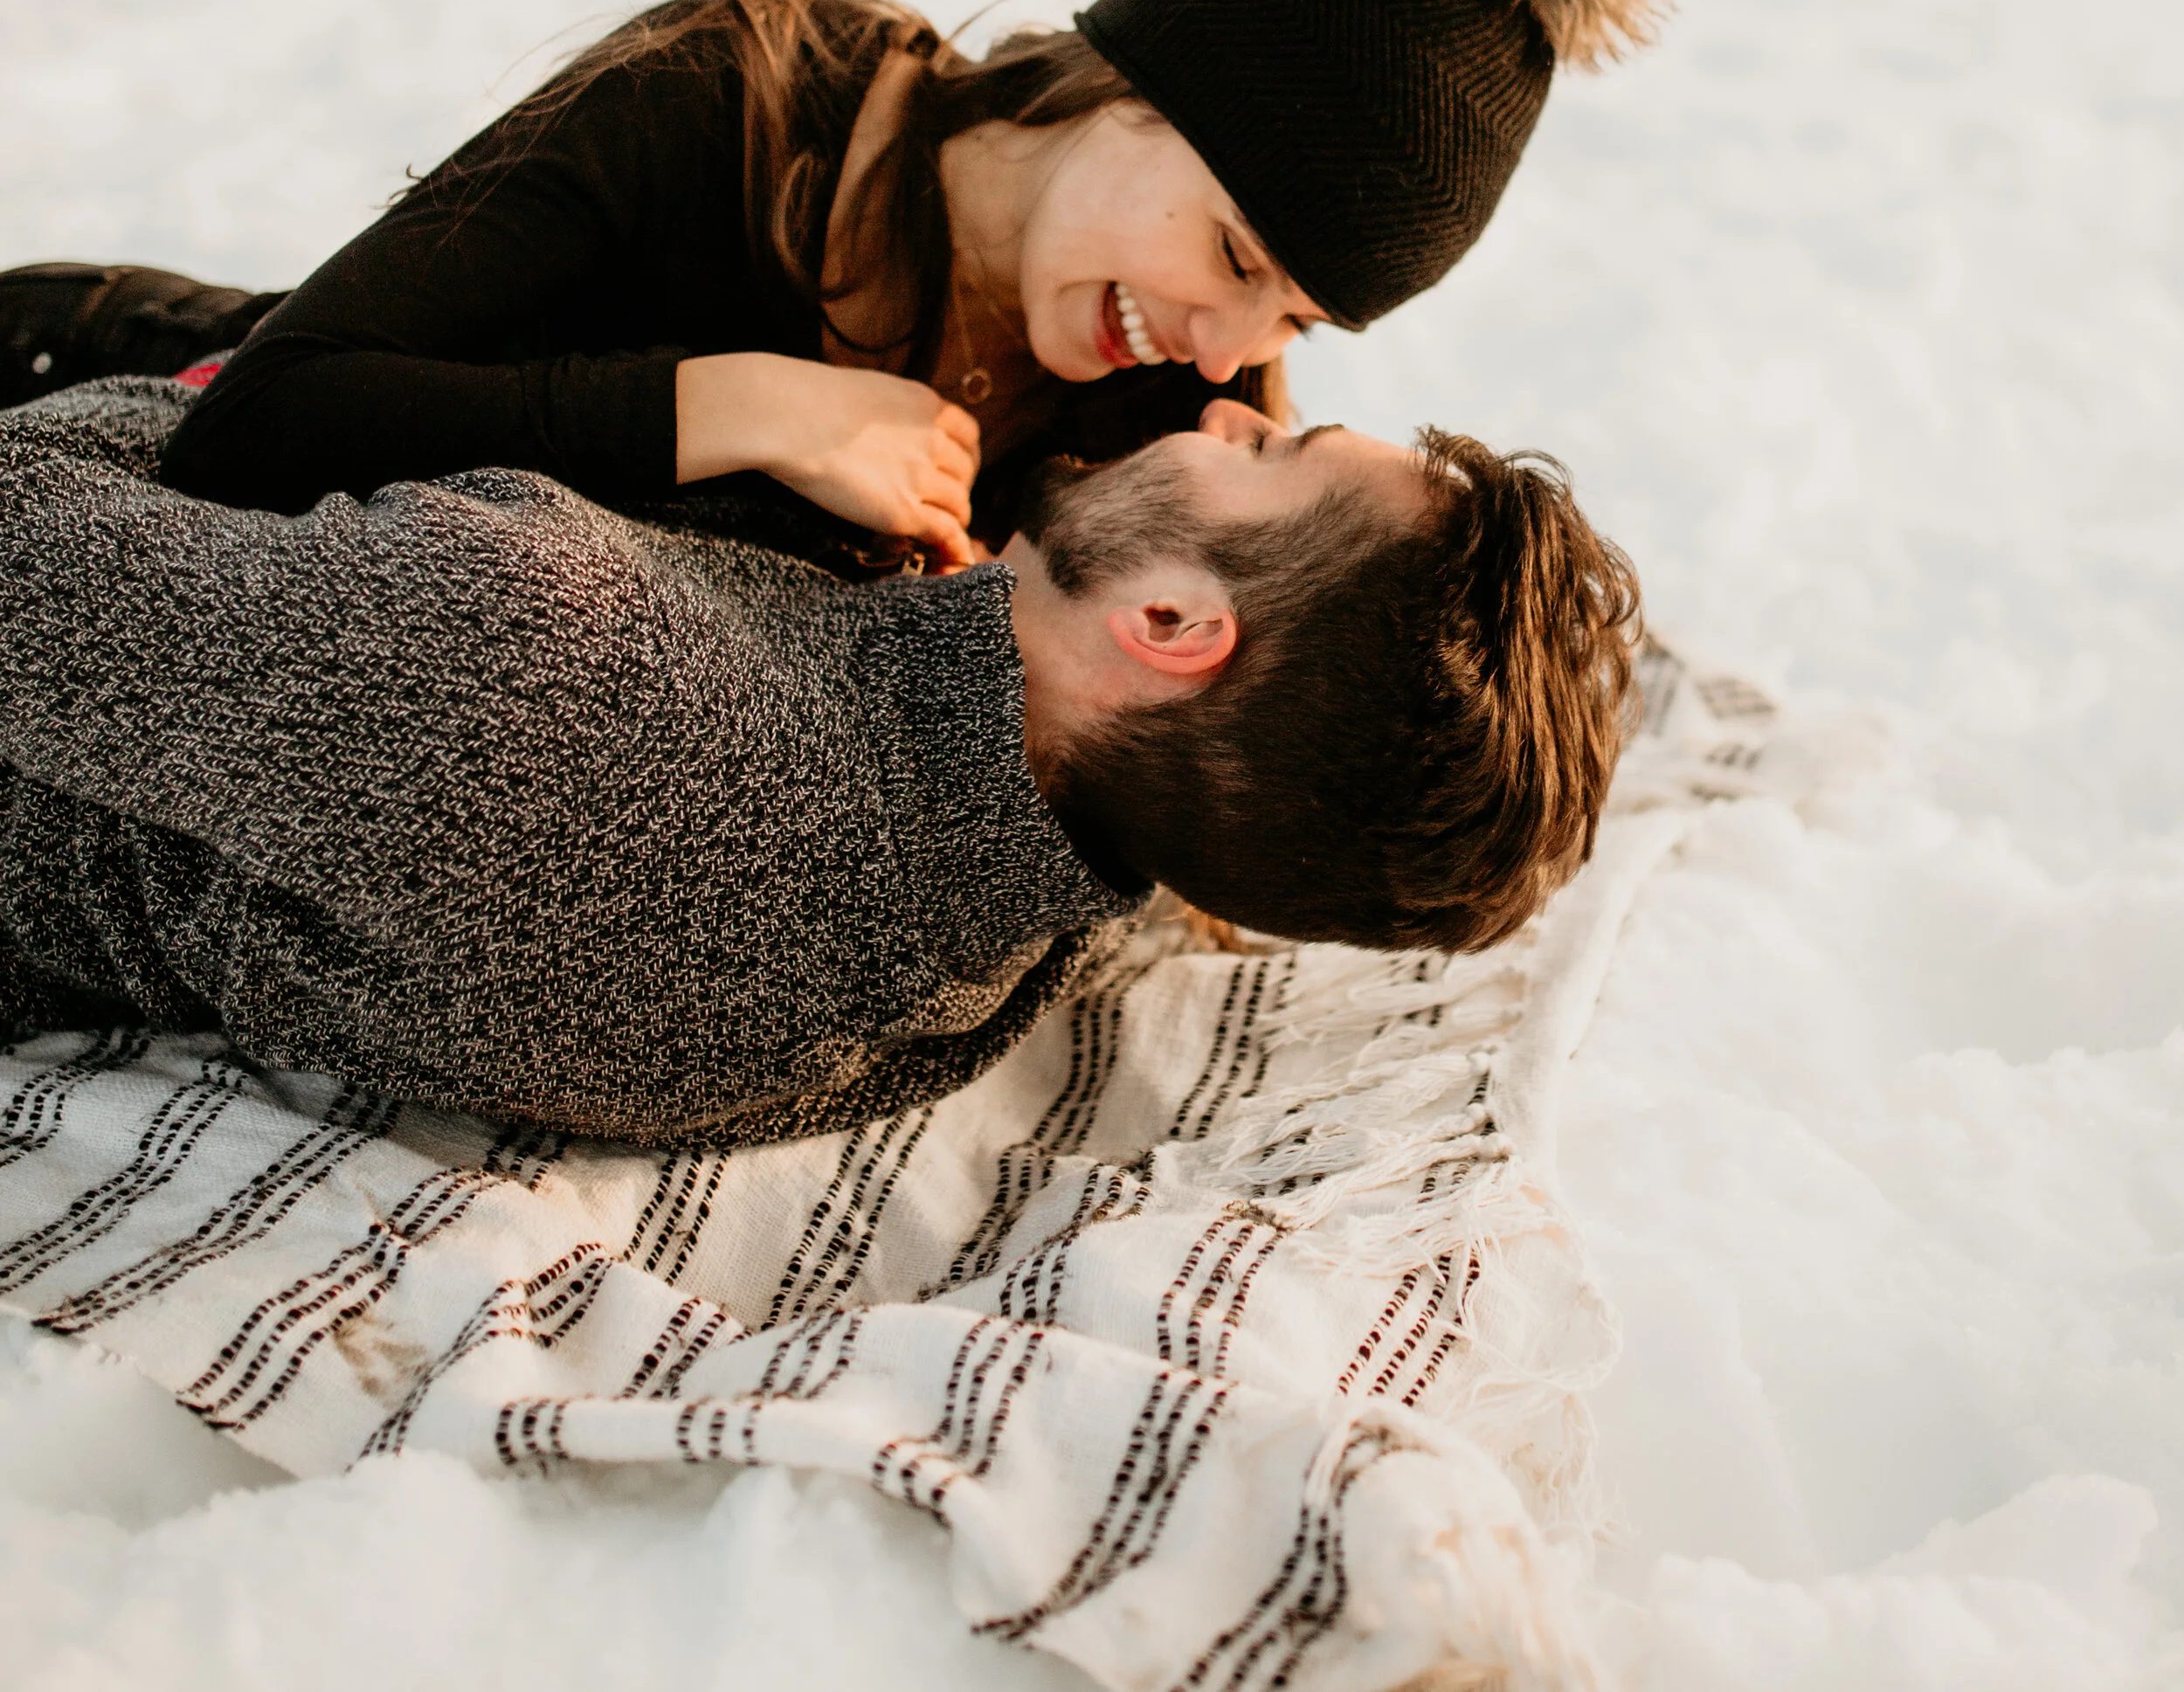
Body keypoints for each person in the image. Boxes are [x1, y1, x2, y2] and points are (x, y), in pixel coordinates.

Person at [0, 0, 1708, 563]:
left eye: (1295, 313)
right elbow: (262, 427)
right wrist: (737, 407)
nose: (1224, 345)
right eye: (1241, 255)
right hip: (88, 371)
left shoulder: (1184, 407)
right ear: (1136, 84)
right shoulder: (739, 95)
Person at [0, 377, 1640, 1147]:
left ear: (1167, 618)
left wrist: (299, 386)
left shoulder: (560, 685)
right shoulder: (1022, 918)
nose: (1220, 410)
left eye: (1267, 452)